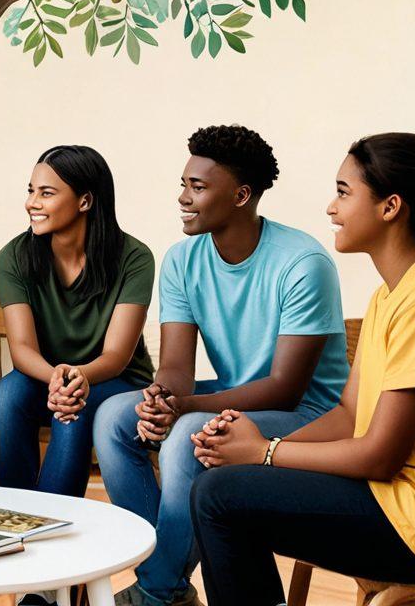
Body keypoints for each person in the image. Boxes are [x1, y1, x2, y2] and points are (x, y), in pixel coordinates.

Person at [190, 132, 415, 606]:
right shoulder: (392, 294)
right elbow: (348, 413)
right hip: (400, 502)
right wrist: (246, 444)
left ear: (390, 207)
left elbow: (379, 456)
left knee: (220, 498)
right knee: (222, 489)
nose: (332, 209)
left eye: (343, 192)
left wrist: (264, 452)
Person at [92, 125, 350, 606]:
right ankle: (163, 577)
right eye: (184, 184)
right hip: (230, 397)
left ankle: (157, 590)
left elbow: (285, 389)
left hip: (313, 416)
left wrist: (185, 407)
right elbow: (175, 366)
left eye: (198, 187)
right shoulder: (183, 260)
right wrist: (161, 398)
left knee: (190, 431)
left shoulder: (301, 262)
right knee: (113, 418)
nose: (183, 198)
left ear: (241, 195)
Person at [0, 145, 155, 498]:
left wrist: (76, 379)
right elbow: (21, 350)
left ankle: (52, 521)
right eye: (31, 190)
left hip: (114, 378)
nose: (32, 202)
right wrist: (58, 377)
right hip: (43, 375)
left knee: (74, 407)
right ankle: (14, 513)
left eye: (47, 193)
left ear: (84, 201)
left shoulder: (134, 258)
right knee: (7, 394)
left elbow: (116, 355)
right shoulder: (15, 256)